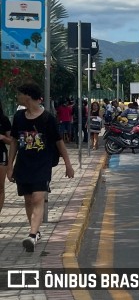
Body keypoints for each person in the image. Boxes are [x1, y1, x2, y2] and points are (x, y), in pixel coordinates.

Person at [7, 82, 74, 252]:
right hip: (23, 165)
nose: (17, 97)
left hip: (42, 165)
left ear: (27, 96)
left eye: (19, 93)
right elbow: (14, 142)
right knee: (28, 200)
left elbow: (59, 142)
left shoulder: (47, 118)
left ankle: (31, 234)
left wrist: (68, 165)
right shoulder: (19, 117)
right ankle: (35, 232)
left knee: (37, 198)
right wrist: (10, 166)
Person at [0, 100, 12, 215]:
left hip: (1, 156)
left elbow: (12, 141)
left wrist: (3, 138)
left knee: (0, 187)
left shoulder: (3, 120)